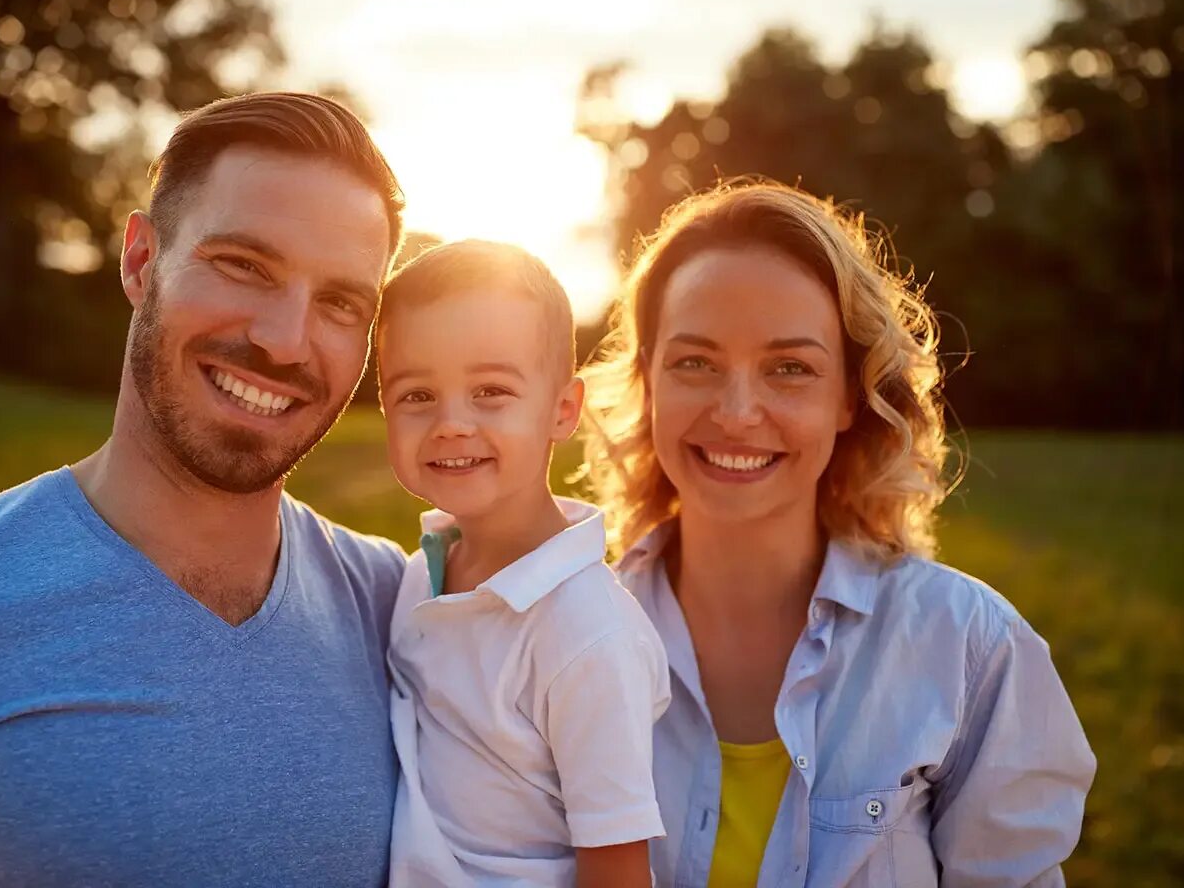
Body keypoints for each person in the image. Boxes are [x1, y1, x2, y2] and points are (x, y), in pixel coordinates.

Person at [0, 93, 410, 887]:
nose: (285, 341)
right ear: (139, 260)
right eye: (244, 266)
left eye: (340, 303)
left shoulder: (402, 614)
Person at [581, 181, 1097, 887]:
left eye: (789, 368)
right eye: (694, 362)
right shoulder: (565, 635)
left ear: (850, 397)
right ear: (647, 381)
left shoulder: (969, 648)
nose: (736, 413)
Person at [375, 240, 670, 887]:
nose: (451, 423)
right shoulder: (421, 568)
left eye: (490, 390)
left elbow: (617, 866)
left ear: (563, 409)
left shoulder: (587, 634)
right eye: (416, 395)